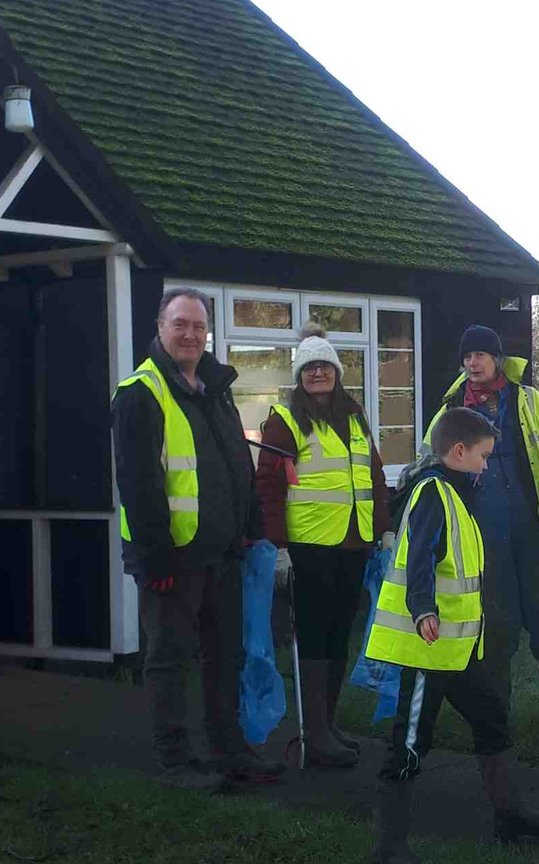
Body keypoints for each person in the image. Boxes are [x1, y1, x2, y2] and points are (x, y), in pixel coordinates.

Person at [367, 407, 539, 864]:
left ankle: (509, 818)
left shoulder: (454, 491)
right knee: (410, 742)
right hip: (427, 649)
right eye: (483, 456)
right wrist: (423, 608)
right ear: (459, 452)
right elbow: (420, 555)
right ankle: (389, 850)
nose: (486, 466)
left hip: (456, 650)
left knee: (492, 719)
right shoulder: (434, 493)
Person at [111, 287, 285, 789]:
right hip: (171, 560)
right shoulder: (140, 393)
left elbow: (236, 463)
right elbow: (138, 483)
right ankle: (176, 762)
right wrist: (155, 559)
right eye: (180, 324)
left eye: (198, 326)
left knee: (224, 656)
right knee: (169, 660)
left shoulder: (215, 386)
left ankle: (228, 750)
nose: (190, 334)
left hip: (223, 552)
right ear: (160, 328)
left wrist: (250, 529)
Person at [422, 325, 539, 733]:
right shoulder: (451, 412)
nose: (472, 363)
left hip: (535, 536)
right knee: (496, 628)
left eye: (480, 355)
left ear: (497, 359)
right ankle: (499, 715)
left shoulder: (529, 400)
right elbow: (427, 461)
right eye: (467, 357)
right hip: (483, 542)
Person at [254, 321, 392, 767]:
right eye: (309, 368)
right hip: (309, 548)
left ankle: (328, 727)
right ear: (299, 375)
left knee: (338, 636)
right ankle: (314, 735)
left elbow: (374, 476)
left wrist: (384, 529)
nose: (318, 373)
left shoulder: (354, 417)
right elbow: (268, 487)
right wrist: (278, 547)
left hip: (354, 545)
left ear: (337, 372)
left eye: (325, 366)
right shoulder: (285, 421)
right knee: (314, 639)